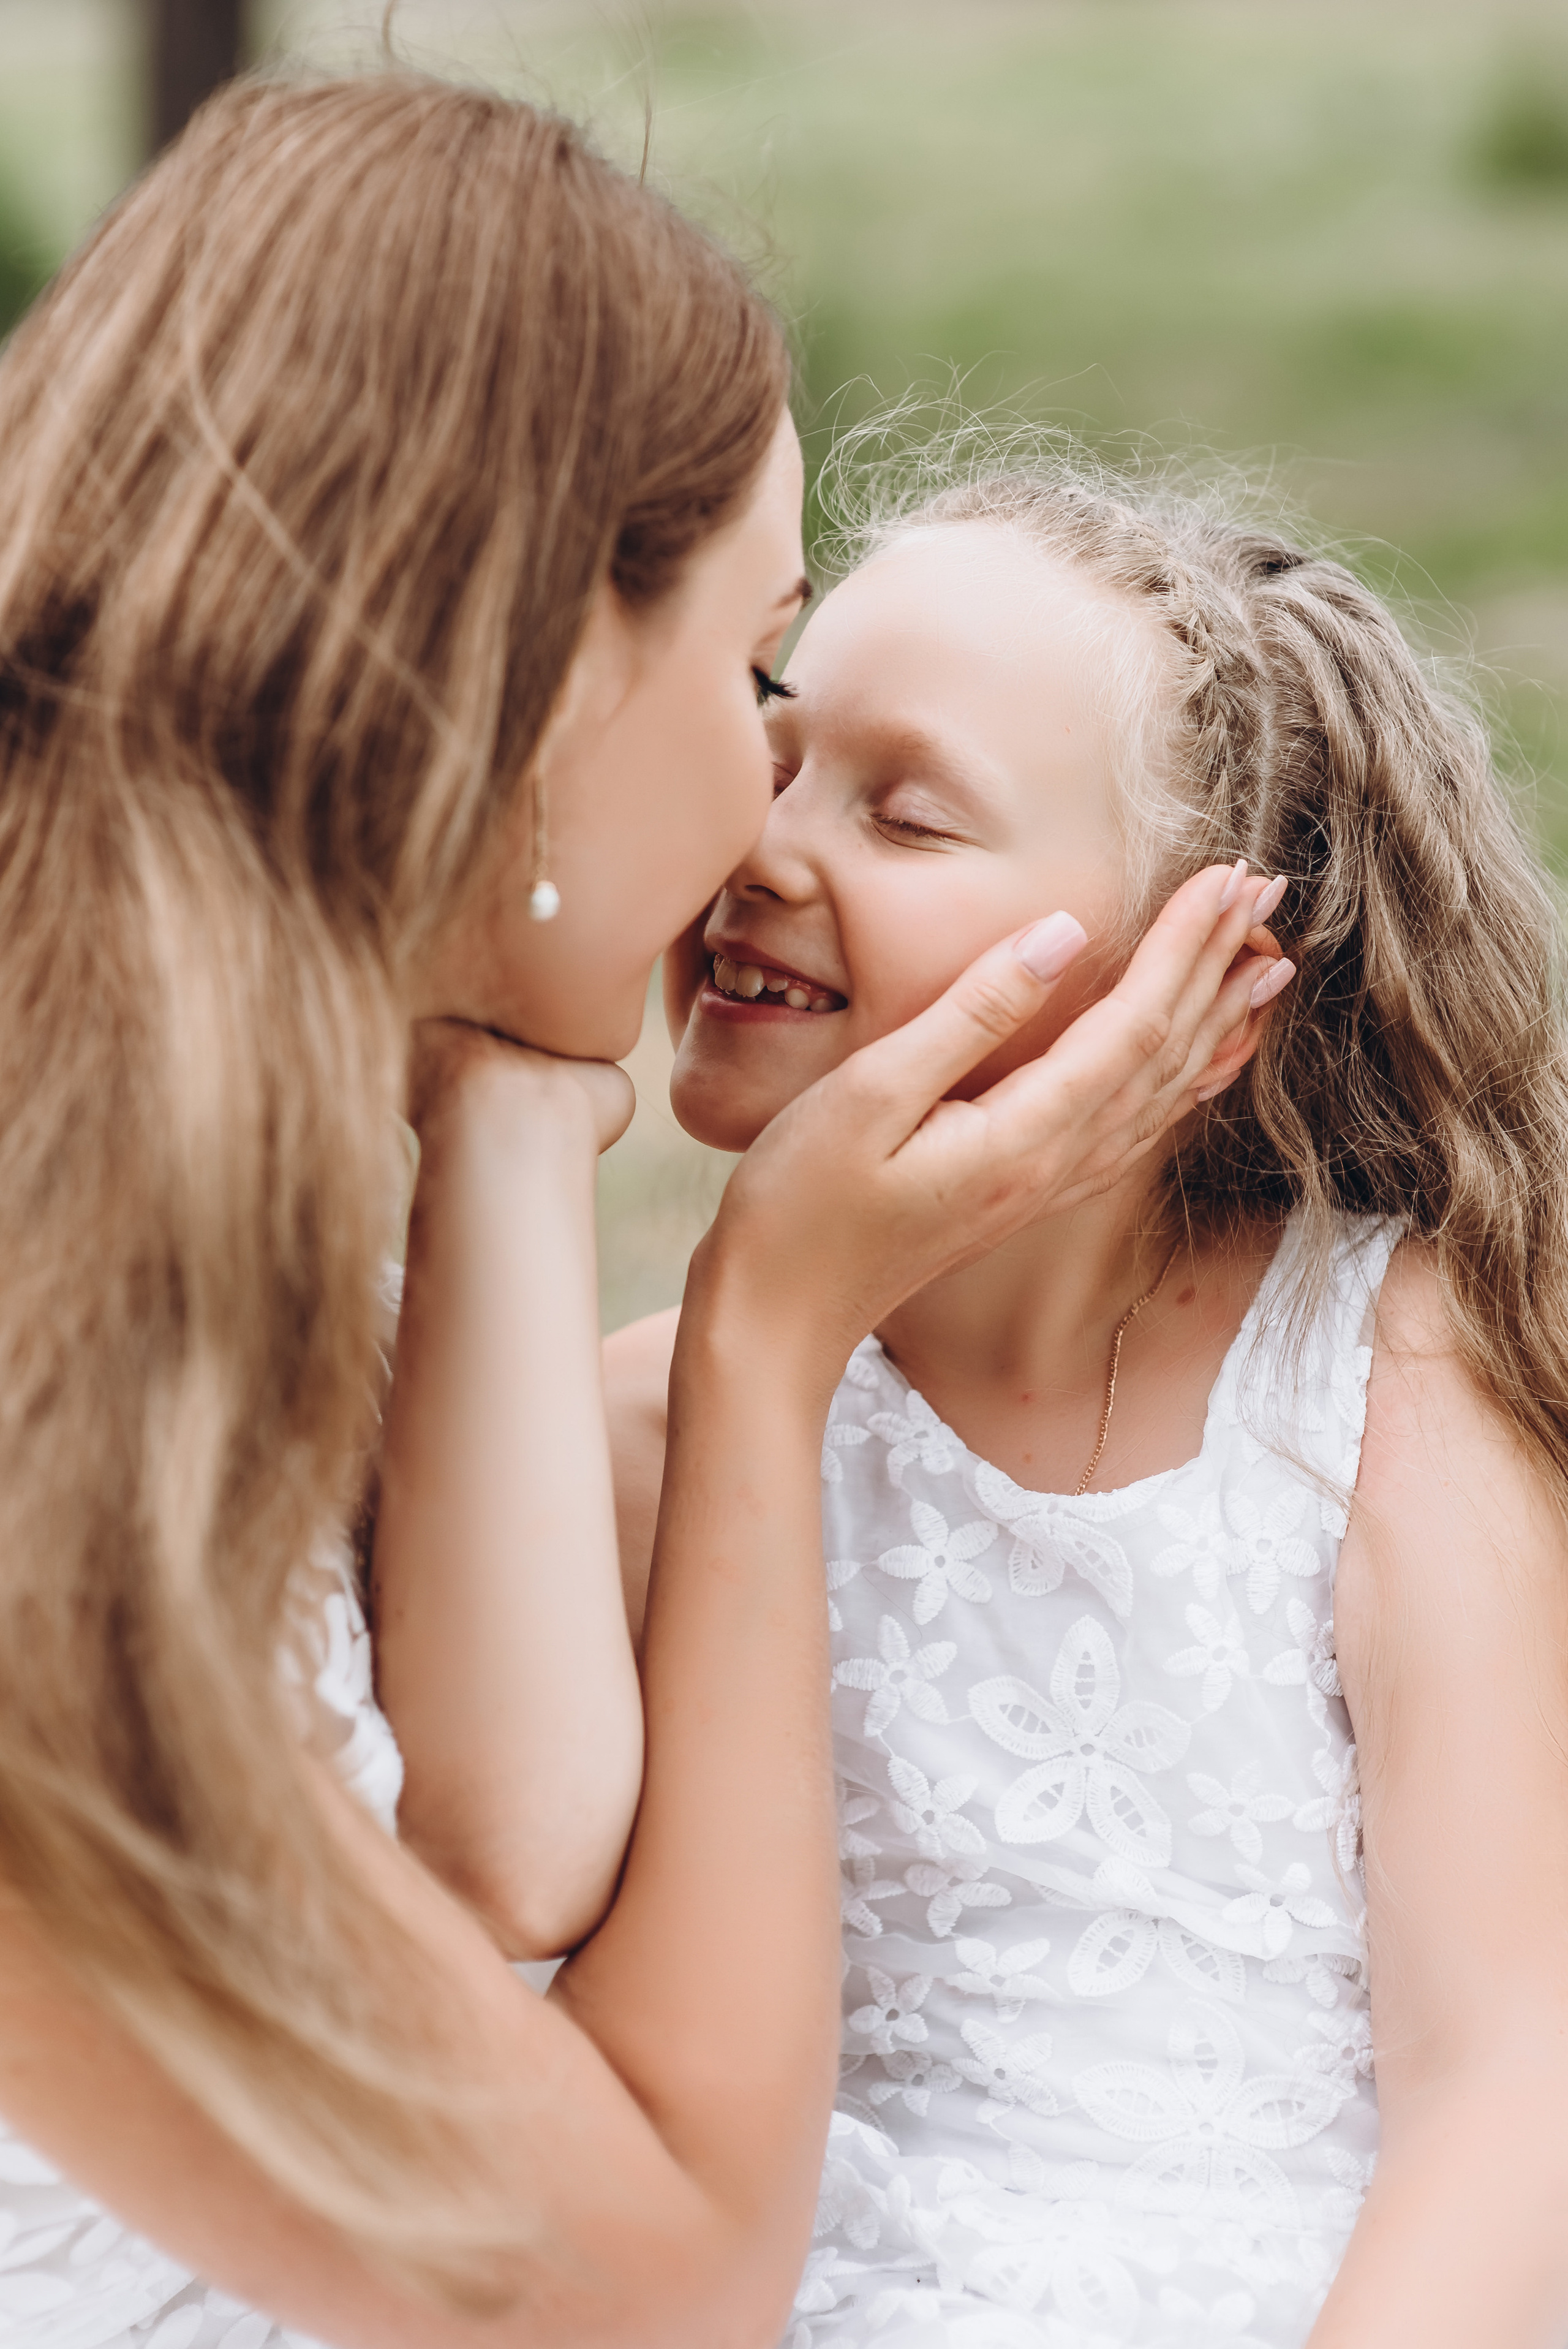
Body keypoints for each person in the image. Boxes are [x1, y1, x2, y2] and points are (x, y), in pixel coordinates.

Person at [0, 73, 1267, 2349]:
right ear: (554, 675)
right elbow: (664, 2287)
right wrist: (766, 1342)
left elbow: (497, 1853)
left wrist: (511, 1103)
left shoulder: (211, 1146)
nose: (765, 806)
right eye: (755, 667)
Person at [606, 457, 1568, 2348]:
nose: (768, 847)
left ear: (1205, 975)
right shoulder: (660, 1416)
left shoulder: (1379, 1375)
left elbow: (1513, 2082)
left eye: (908, 813)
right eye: (770, 753)